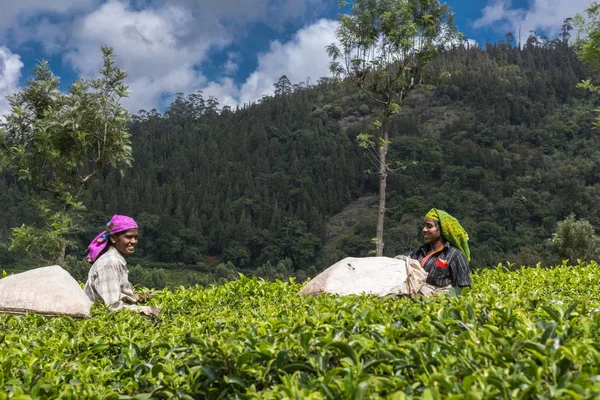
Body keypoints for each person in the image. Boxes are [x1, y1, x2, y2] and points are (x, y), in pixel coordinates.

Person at [83, 215, 160, 316]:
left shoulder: (115, 260)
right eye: (128, 237)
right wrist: (149, 310)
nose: (133, 241)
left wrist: (137, 297)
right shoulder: (109, 264)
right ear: (114, 239)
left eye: (135, 237)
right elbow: (113, 308)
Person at [407, 208, 471, 294]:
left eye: (429, 226)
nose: (424, 230)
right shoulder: (417, 253)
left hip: (438, 305)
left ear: (442, 229)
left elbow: (463, 289)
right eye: (424, 226)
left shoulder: (455, 256)